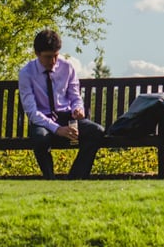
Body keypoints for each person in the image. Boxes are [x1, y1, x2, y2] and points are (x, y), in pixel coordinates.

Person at [17, 28, 105, 179]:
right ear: (37, 54)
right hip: (42, 120)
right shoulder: (26, 73)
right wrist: (57, 129)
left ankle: (75, 177)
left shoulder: (67, 68)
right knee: (40, 139)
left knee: (97, 131)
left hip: (66, 117)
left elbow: (75, 96)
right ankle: (50, 178)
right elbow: (31, 111)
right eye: (48, 57)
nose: (53, 62)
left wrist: (78, 108)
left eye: (56, 56)